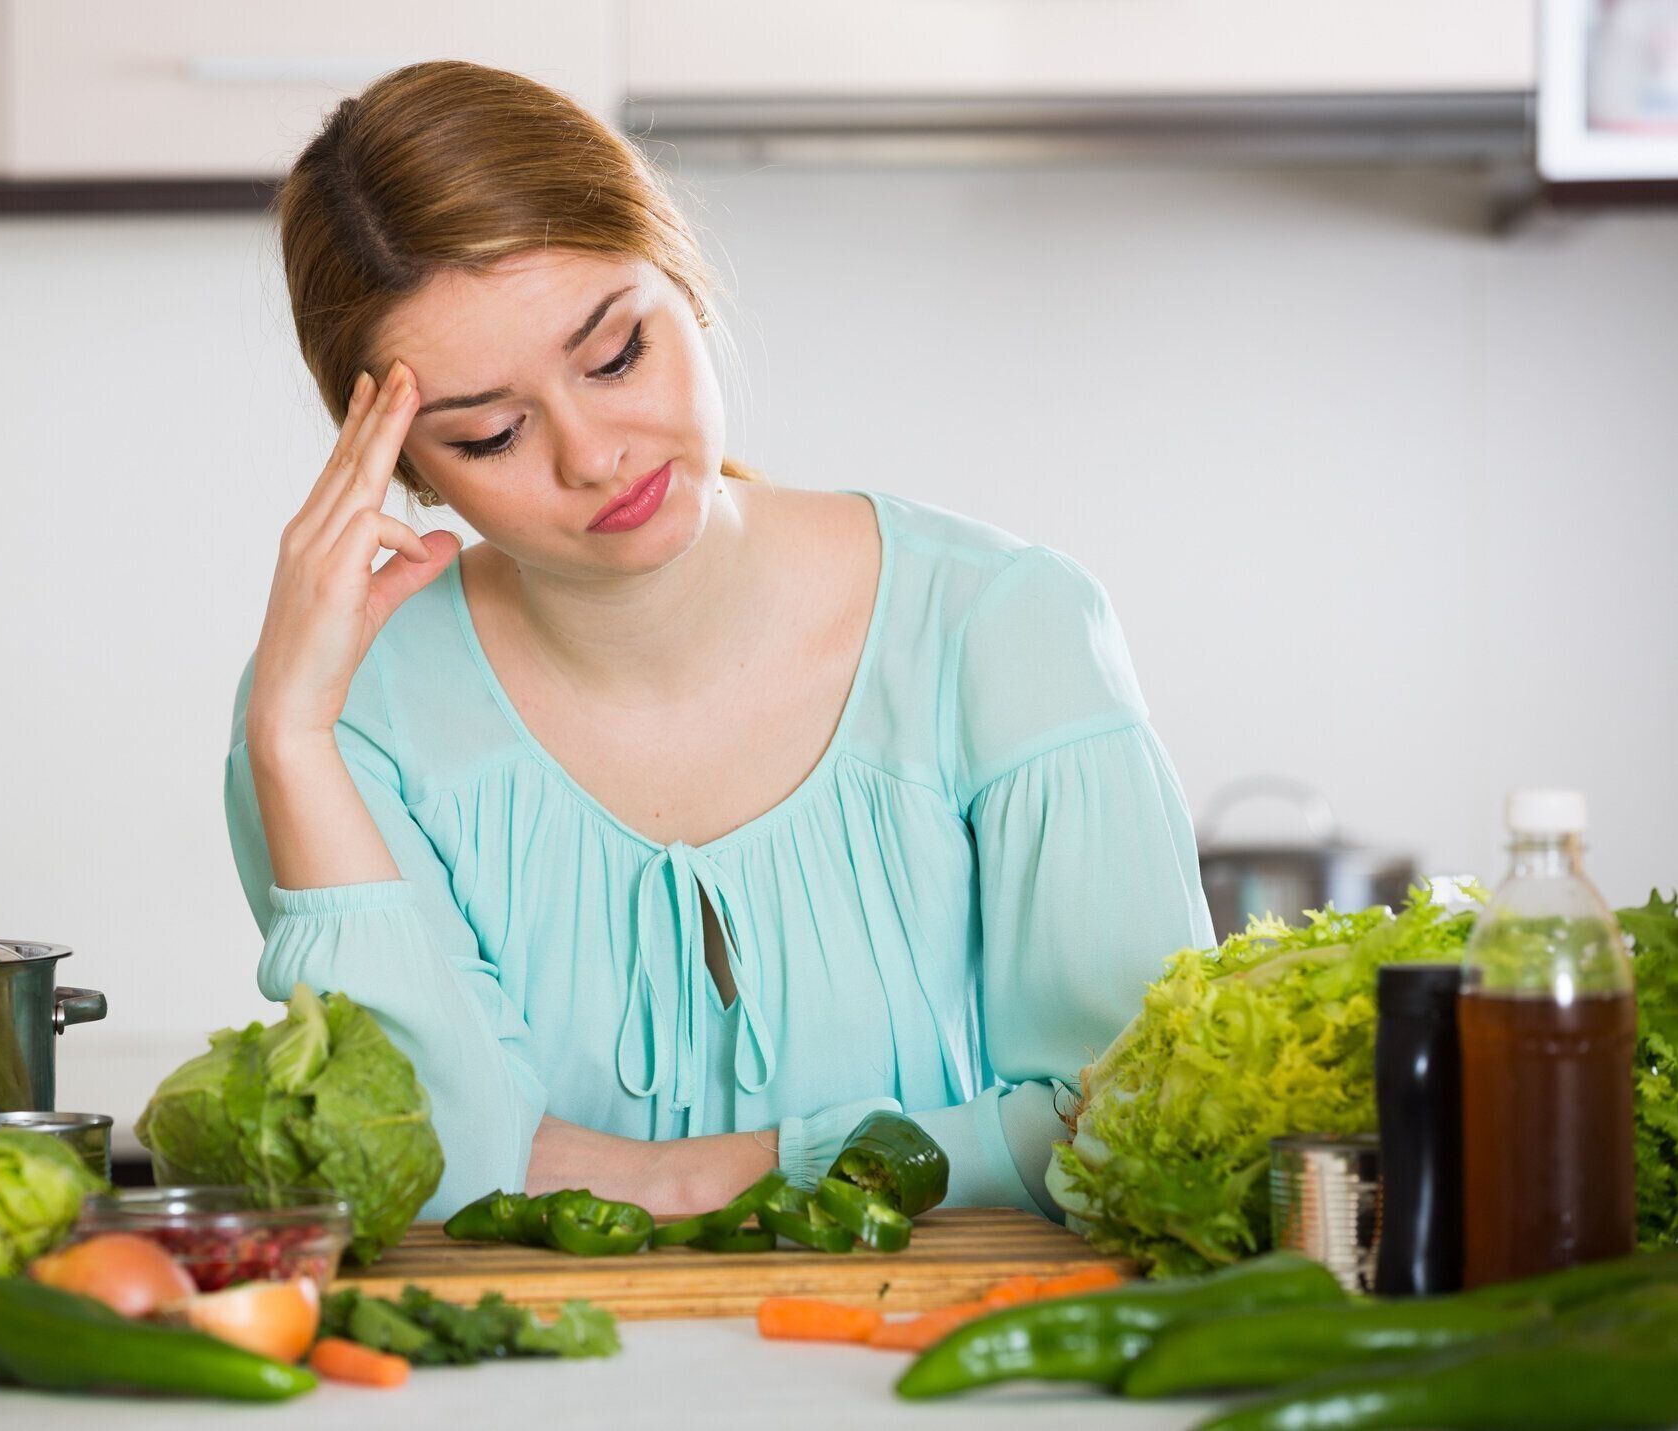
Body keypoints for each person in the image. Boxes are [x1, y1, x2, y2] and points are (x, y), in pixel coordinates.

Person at [230, 61, 1212, 1221]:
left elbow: (1135, 1124)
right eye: (492, 434)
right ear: (402, 470)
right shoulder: (337, 716)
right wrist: (291, 737)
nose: (595, 454)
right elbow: (434, 1162)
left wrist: (705, 1171)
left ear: (683, 282)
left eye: (615, 357)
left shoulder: (1005, 626)